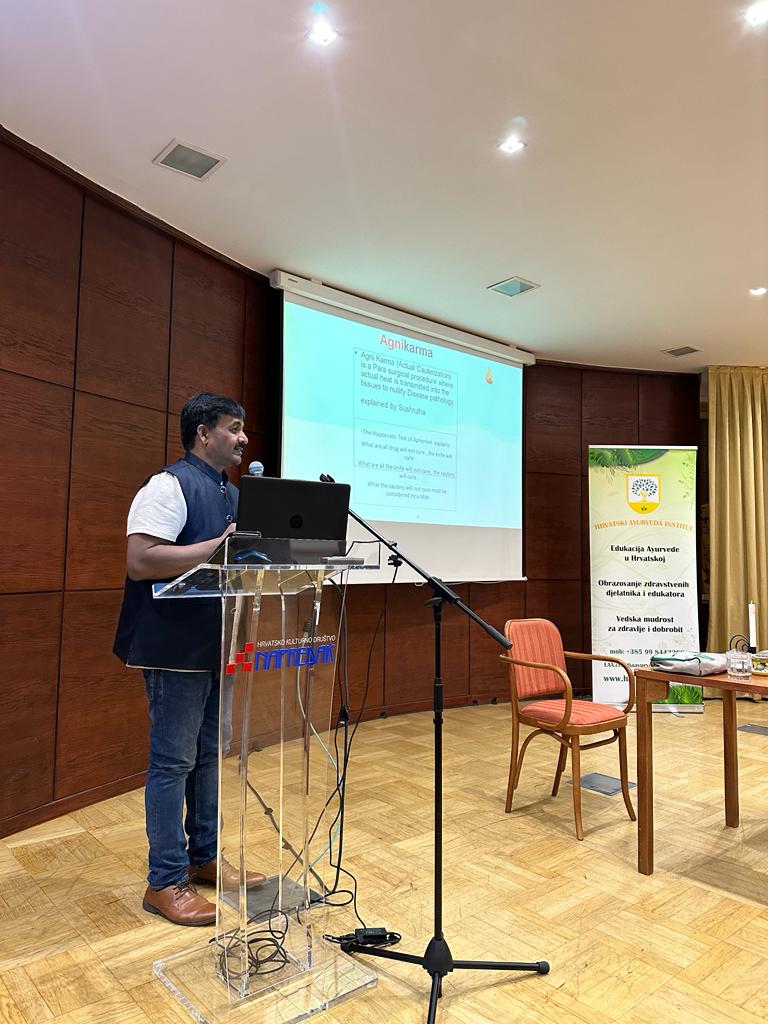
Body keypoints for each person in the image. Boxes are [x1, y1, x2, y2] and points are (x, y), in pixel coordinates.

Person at [114, 391, 264, 926]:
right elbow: (140, 560)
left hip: (218, 645)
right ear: (203, 433)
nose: (243, 438)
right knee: (173, 761)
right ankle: (165, 881)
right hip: (174, 647)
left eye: (243, 428)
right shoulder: (168, 485)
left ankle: (205, 858)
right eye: (233, 427)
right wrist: (219, 547)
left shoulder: (234, 493)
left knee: (207, 756)